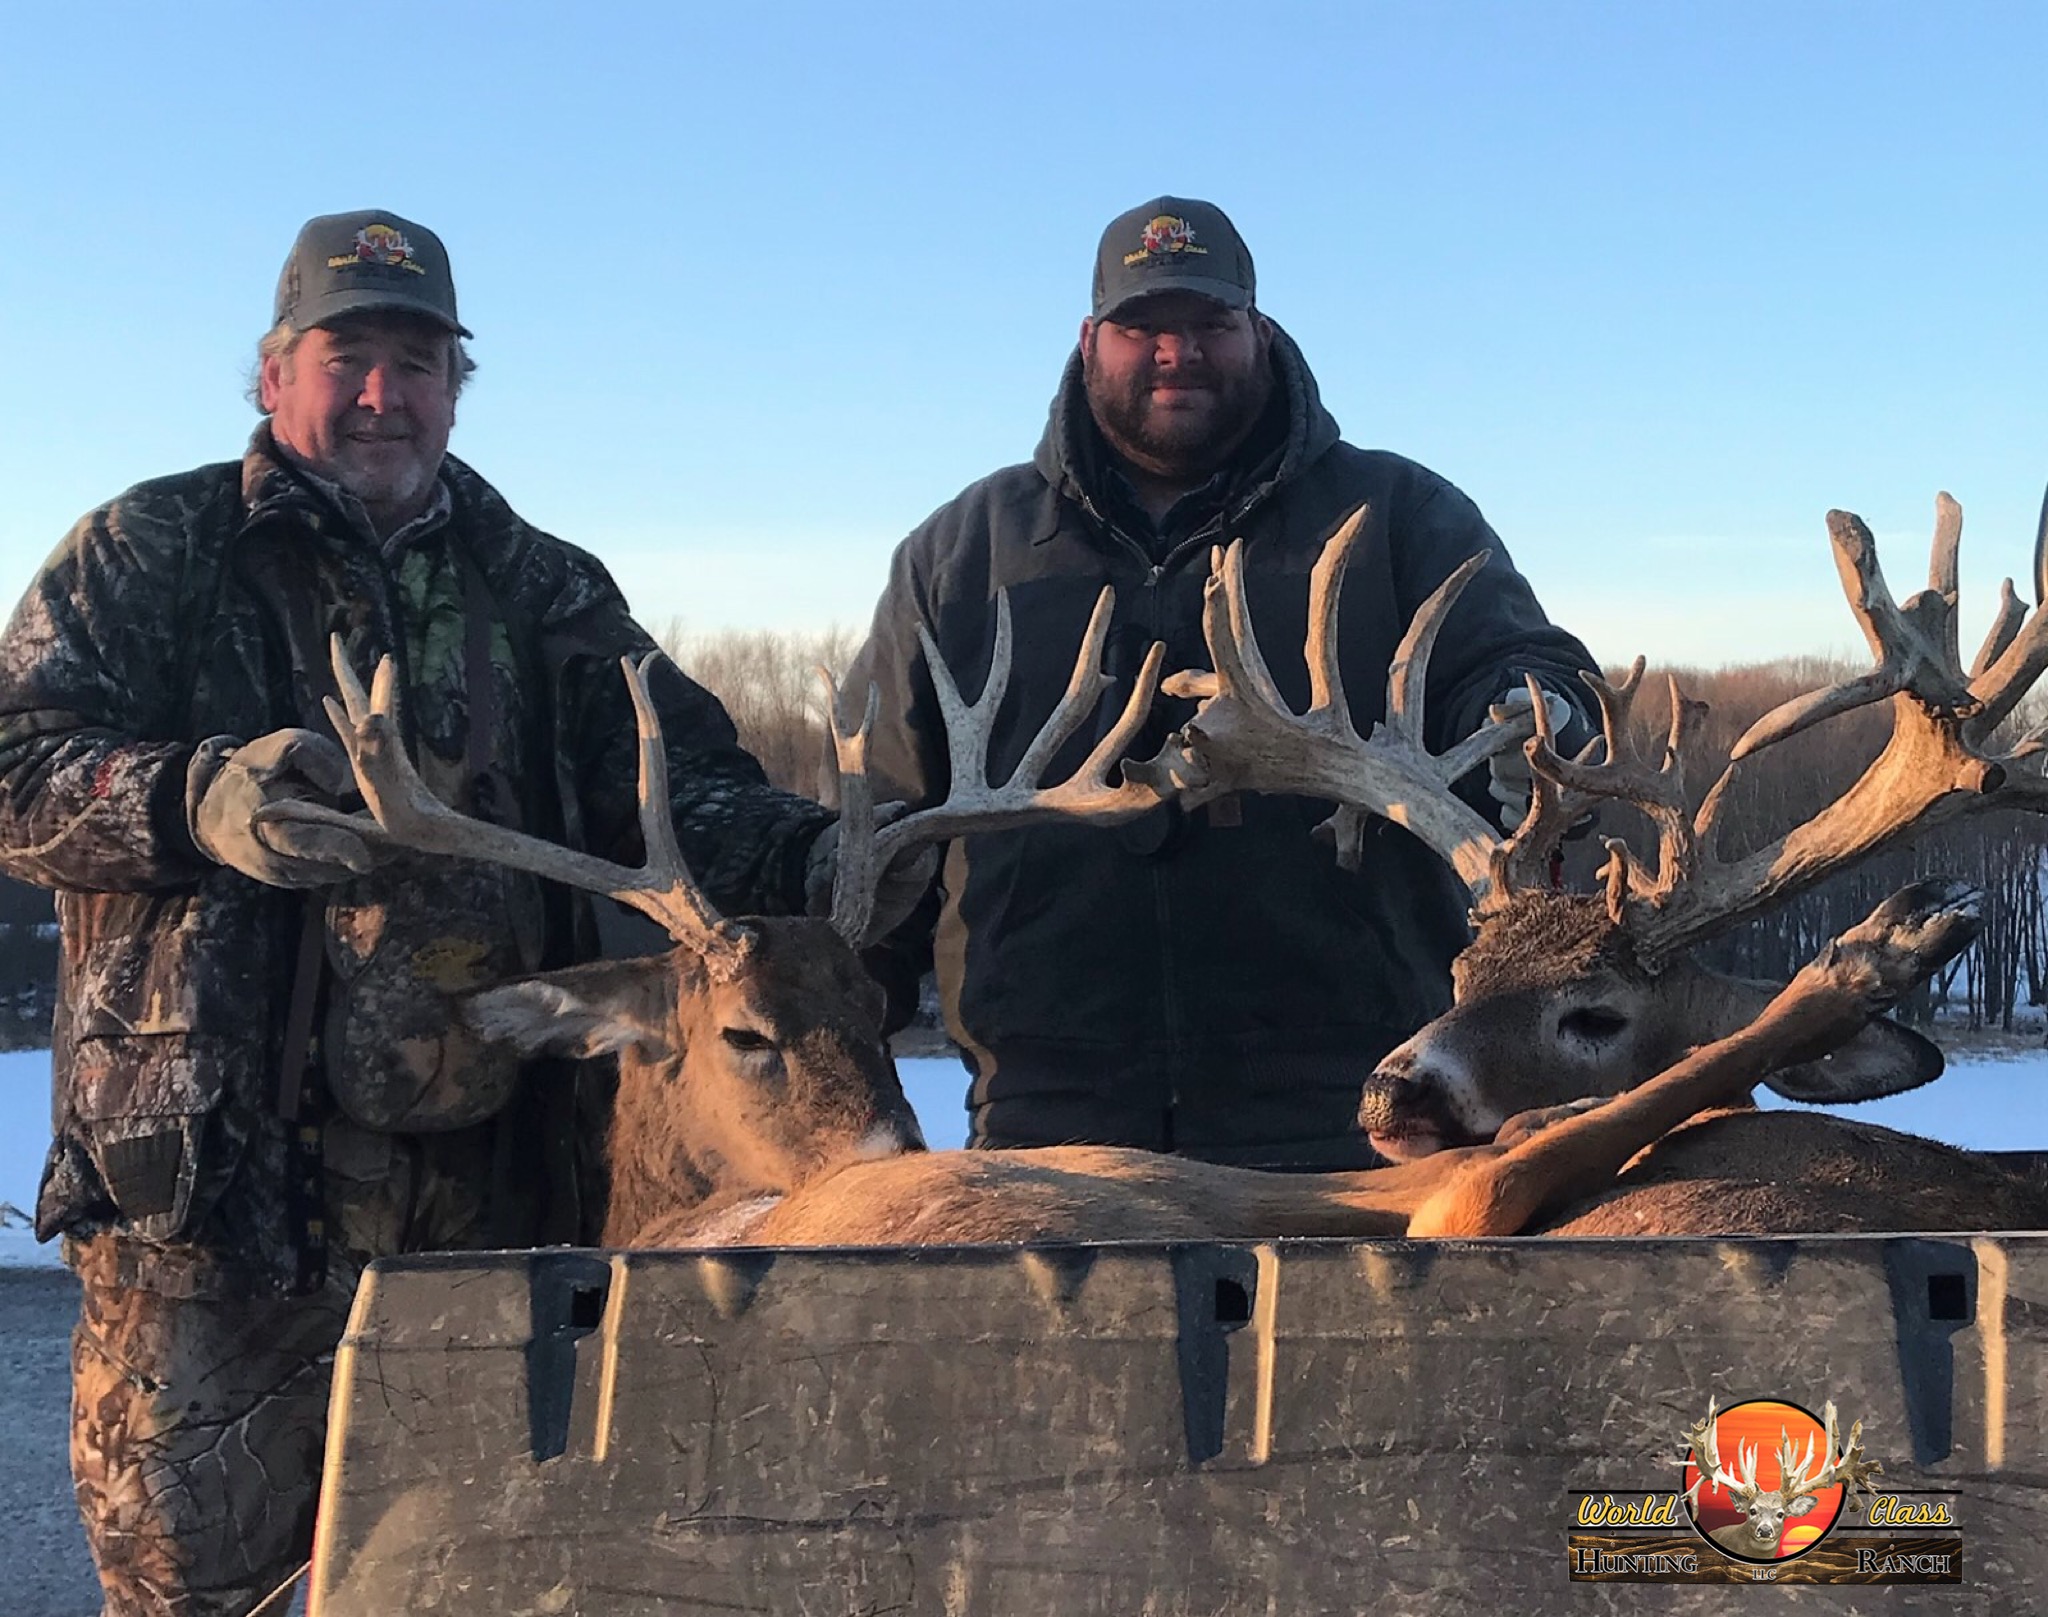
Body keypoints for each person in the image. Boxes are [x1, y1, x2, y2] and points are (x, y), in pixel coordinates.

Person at [0, 210, 893, 1617]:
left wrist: (820, 848)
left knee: (464, 1572)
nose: (382, 394)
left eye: (419, 361)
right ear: (273, 371)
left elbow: (678, 786)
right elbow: (13, 763)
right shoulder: (150, 550)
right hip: (218, 1199)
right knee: (194, 1581)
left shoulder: (541, 584)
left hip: (485, 1190)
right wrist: (190, 799)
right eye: (347, 355)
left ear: (457, 384)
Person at [846, 195, 1599, 1171]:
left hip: (1362, 1115)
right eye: (1142, 326)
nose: (1176, 351)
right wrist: (842, 1036)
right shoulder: (960, 552)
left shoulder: (1398, 516)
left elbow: (1516, 668)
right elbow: (884, 831)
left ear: (1258, 329)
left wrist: (1534, 725)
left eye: (1208, 323)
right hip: (1045, 1119)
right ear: (1088, 340)